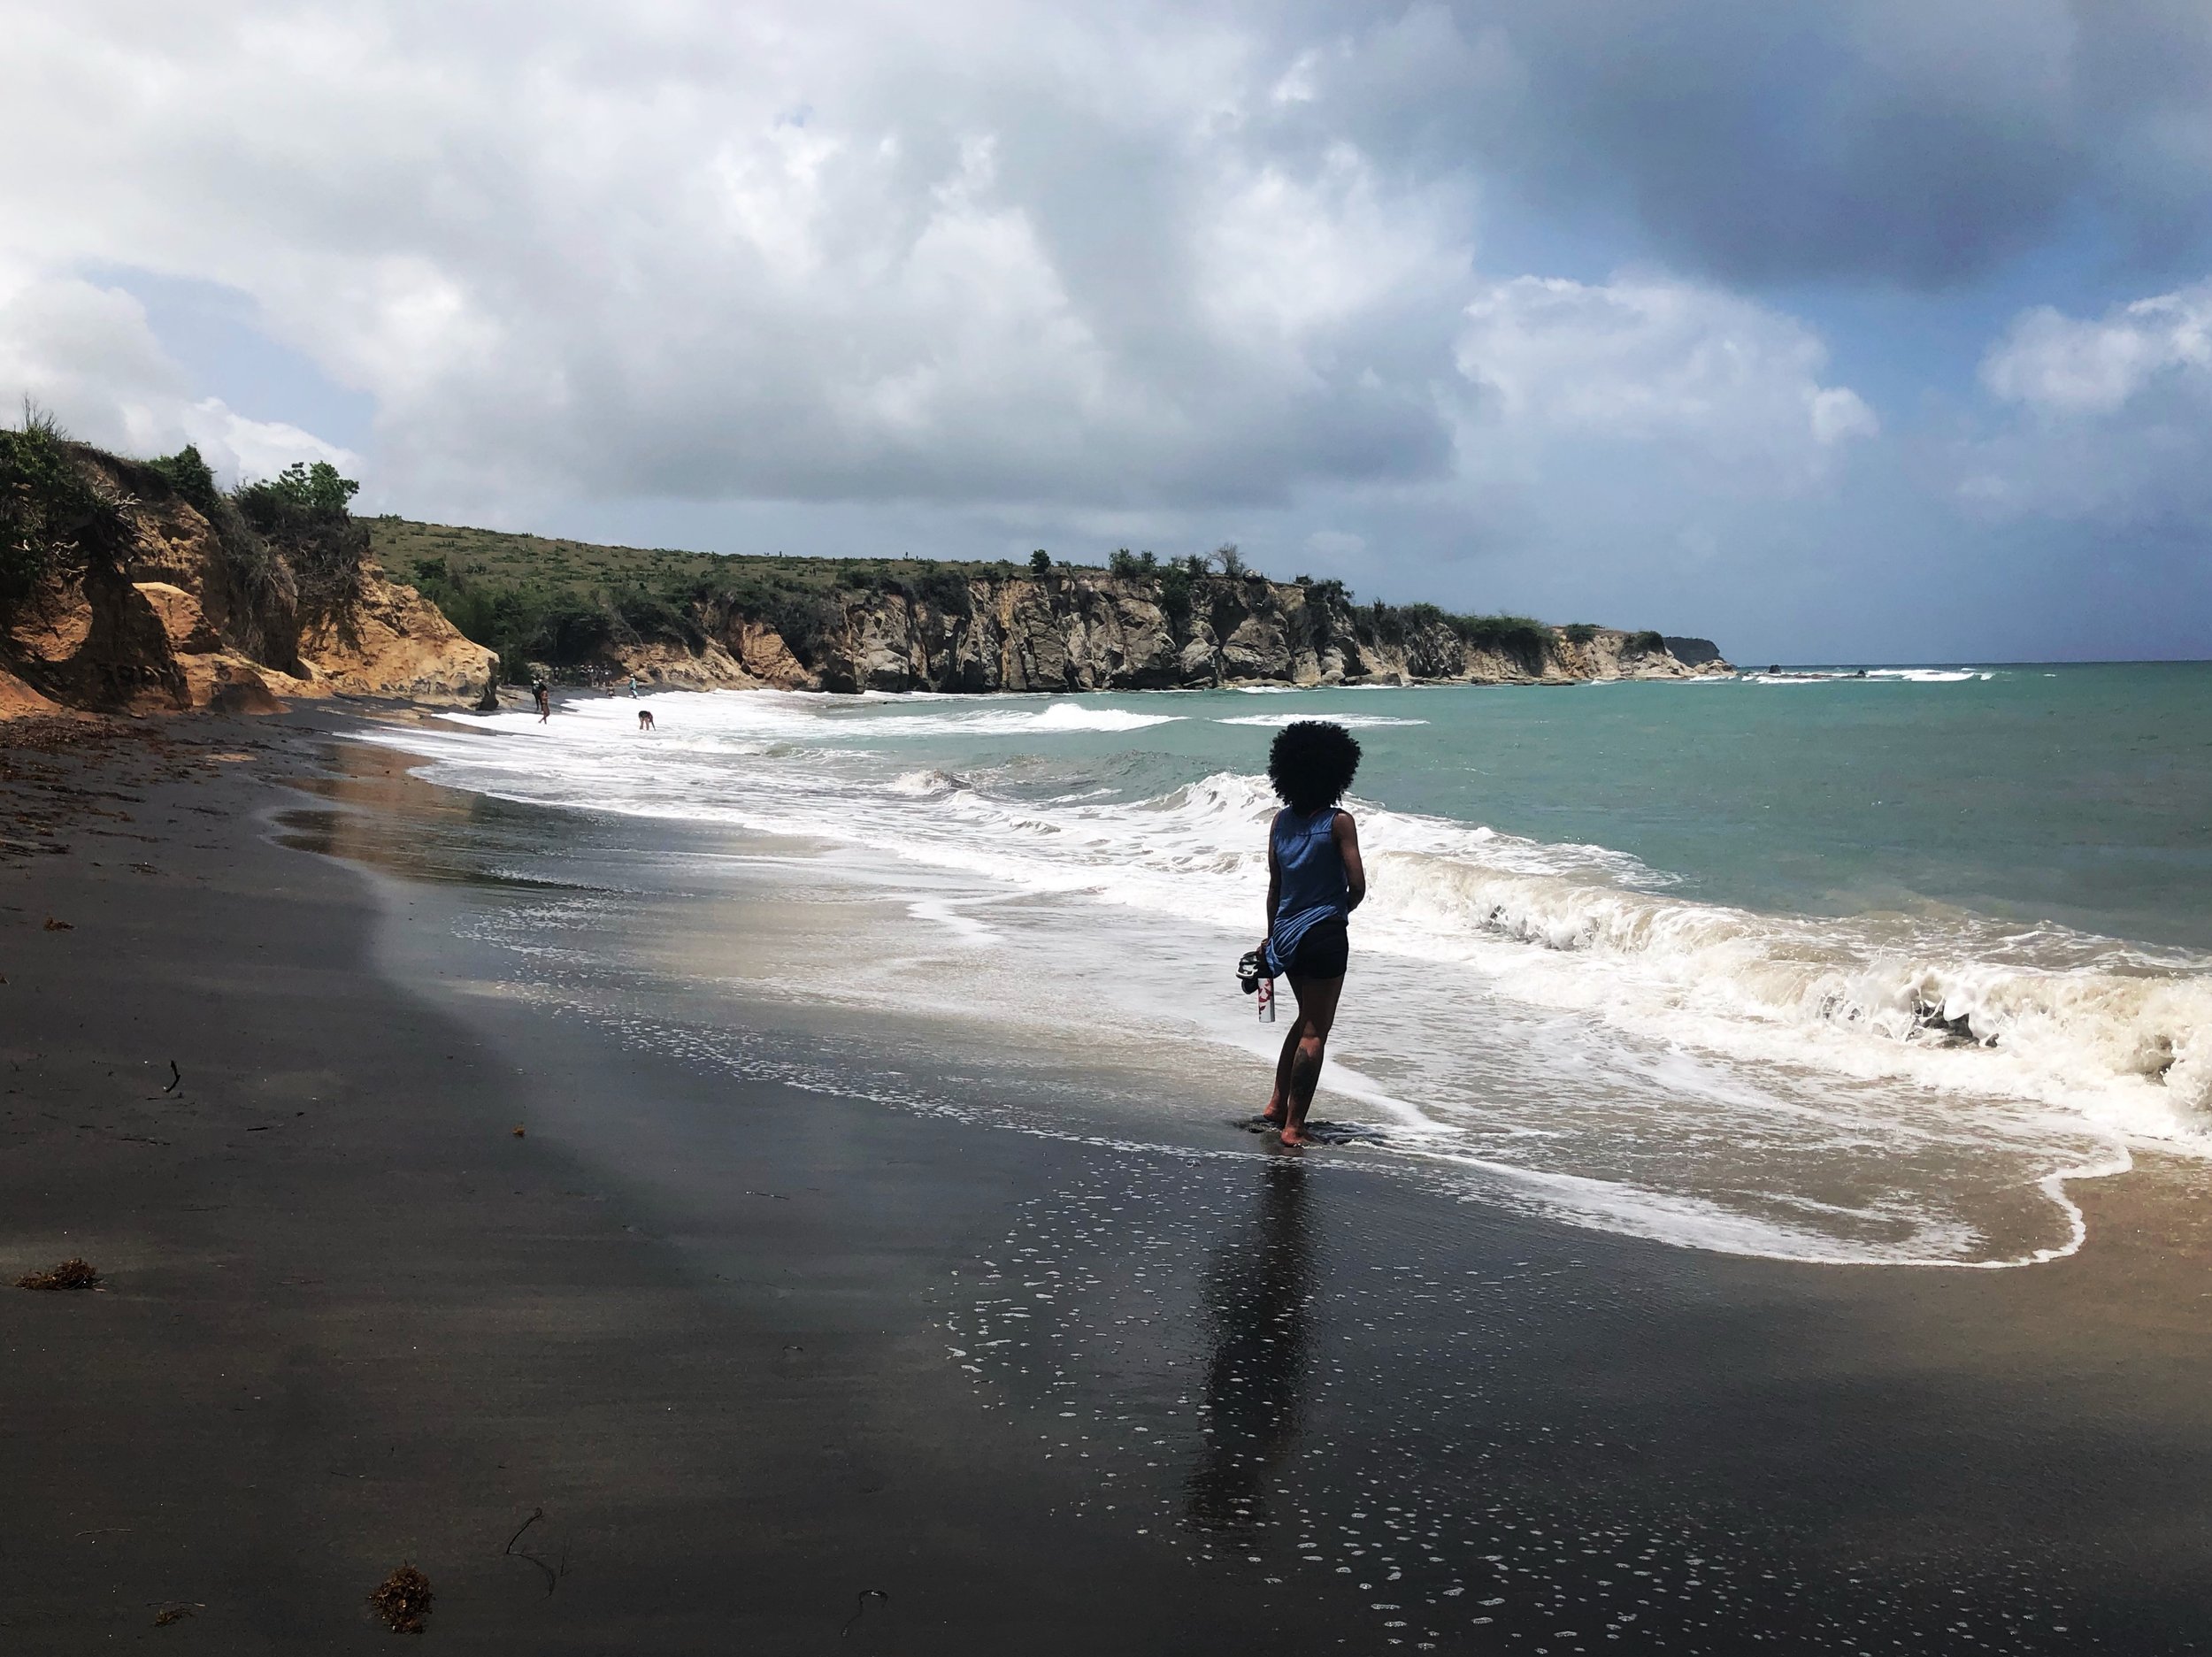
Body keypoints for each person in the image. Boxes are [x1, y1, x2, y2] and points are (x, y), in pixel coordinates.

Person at [1256, 720, 1365, 1147]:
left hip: (1284, 937)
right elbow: (1356, 886)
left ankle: (1277, 1103)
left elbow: (1275, 887)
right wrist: (1335, 913)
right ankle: (1294, 1126)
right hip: (1323, 936)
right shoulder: (1339, 822)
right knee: (1316, 1030)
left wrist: (1271, 937)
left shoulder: (1280, 822)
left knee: (1304, 1020)